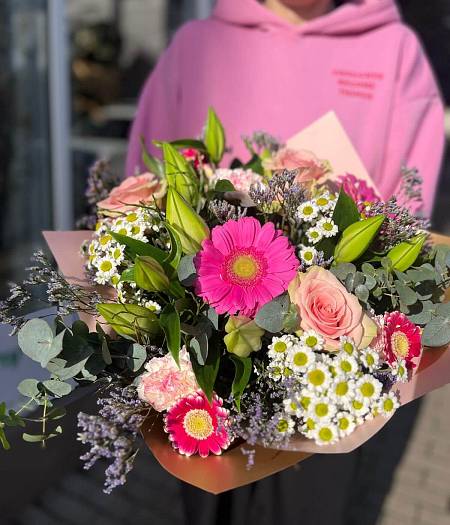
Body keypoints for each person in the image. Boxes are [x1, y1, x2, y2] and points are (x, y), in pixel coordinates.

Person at [126, 1, 445, 523]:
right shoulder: (196, 46)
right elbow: (148, 189)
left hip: (331, 369)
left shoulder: (392, 50)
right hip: (203, 367)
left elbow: (406, 215)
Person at [126, 0, 445, 216]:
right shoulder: (193, 46)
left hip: (350, 299)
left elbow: (409, 197)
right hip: (204, 298)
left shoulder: (394, 49)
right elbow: (147, 181)